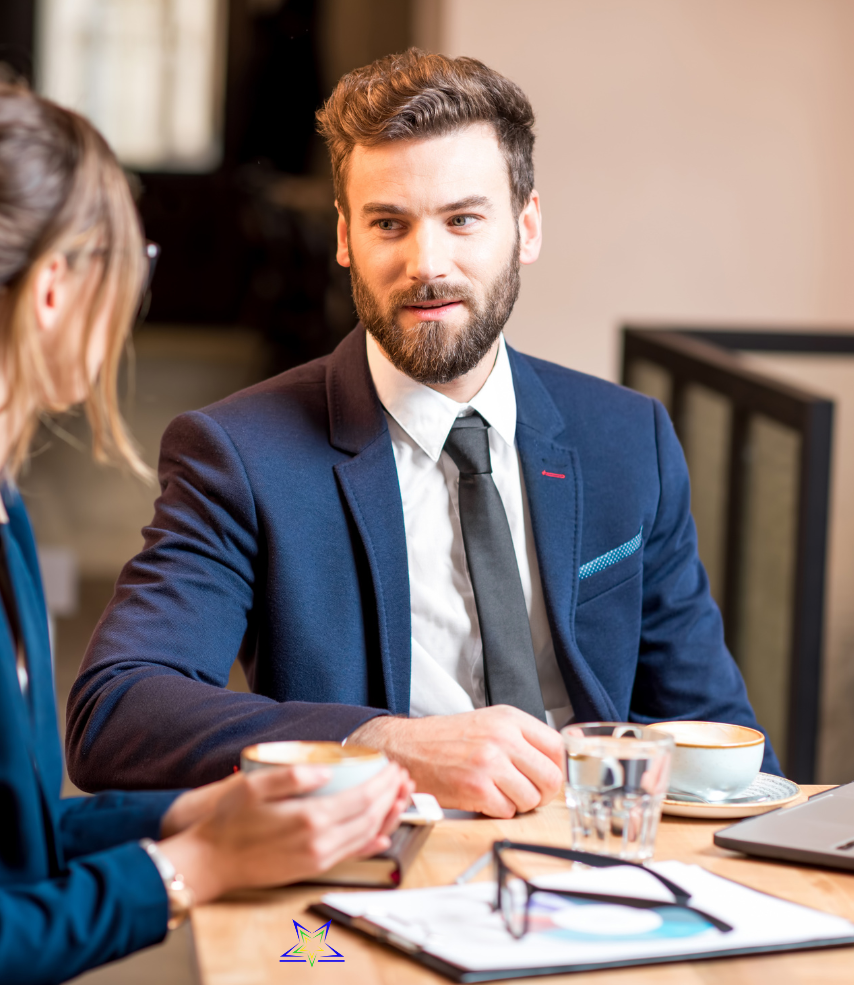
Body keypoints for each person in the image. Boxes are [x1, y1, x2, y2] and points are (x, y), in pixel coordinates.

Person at [0, 76, 412, 985]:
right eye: (132, 262)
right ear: (51, 288)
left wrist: (205, 813)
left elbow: (1, 840)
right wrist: (199, 866)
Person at [66, 48, 779, 816]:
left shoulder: (627, 438)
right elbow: (116, 712)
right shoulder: (240, 453)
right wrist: (383, 741)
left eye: (463, 219)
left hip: (604, 866)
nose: (426, 264)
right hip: (372, 871)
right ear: (346, 239)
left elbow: (717, 731)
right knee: (306, 948)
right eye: (388, 224)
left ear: (526, 226)